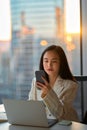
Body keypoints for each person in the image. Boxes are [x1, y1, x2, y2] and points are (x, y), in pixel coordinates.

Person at [28, 45, 79, 122]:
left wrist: (49, 93)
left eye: (54, 61)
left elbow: (60, 114)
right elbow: (31, 105)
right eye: (46, 61)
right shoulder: (36, 81)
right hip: (42, 123)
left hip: (64, 124)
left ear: (61, 63)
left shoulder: (71, 85)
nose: (49, 65)